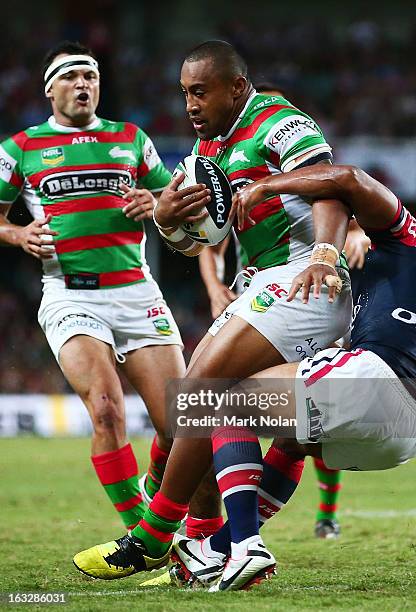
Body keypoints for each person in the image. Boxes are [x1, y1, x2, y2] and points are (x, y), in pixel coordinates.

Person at [72, 39, 353, 579]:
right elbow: (197, 241)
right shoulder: (207, 155)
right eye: (184, 95)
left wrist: (324, 255)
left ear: (237, 88)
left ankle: (153, 536)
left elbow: (330, 190)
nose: (191, 105)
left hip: (304, 281)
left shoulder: (279, 122)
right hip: (261, 286)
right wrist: (167, 219)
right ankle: (215, 546)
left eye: (201, 92)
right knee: (233, 414)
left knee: (200, 390)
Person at [75, 163, 416, 590]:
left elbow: (346, 180)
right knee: (292, 444)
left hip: (373, 379)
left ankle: (243, 544)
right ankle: (215, 549)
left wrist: (267, 185)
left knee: (218, 401)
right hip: (403, 437)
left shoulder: (403, 237)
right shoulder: (376, 267)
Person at [0, 40, 188, 532]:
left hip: (136, 291)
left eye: (91, 76)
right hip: (70, 293)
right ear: (49, 89)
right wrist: (17, 232)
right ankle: (143, 536)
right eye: (71, 76)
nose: (83, 84)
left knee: (179, 422)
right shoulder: (19, 148)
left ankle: (152, 484)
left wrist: (155, 201)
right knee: (106, 410)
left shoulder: (132, 137)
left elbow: (169, 194)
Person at [198, 81, 350, 539]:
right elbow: (209, 239)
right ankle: (204, 534)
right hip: (257, 293)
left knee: (289, 428)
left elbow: (342, 200)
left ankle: (211, 538)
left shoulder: (300, 163)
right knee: (209, 403)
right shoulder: (232, 167)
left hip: (303, 291)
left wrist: (338, 247)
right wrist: (212, 285)